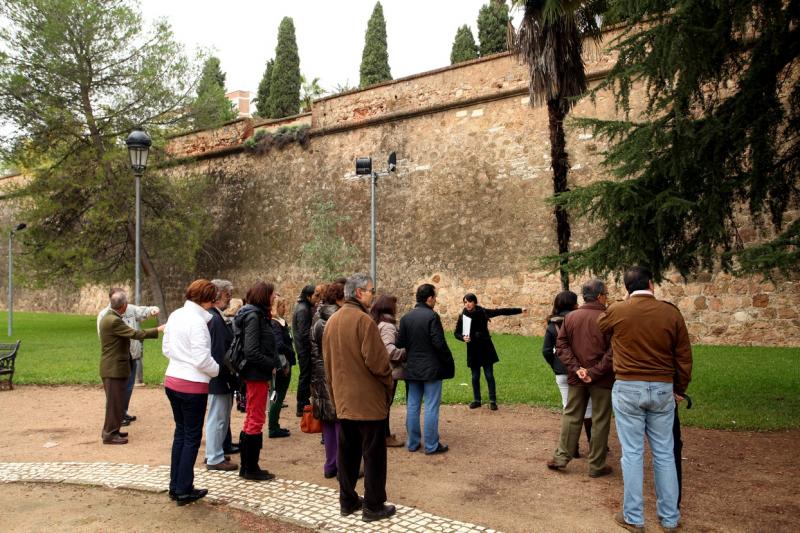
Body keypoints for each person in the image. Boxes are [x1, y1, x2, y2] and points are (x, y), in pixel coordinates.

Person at [598, 266, 693, 533]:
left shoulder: (618, 310)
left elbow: (601, 325)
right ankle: (670, 518)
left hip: (628, 386)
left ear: (626, 288)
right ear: (651, 284)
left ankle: (633, 517)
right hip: (663, 388)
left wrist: (623, 304)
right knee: (664, 453)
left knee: (632, 454)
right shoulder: (670, 312)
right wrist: (680, 388)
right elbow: (684, 356)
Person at [322, 273, 395, 522]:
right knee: (373, 454)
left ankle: (348, 500)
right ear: (359, 293)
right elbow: (378, 363)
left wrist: (334, 394)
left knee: (348, 453)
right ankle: (373, 506)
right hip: (366, 401)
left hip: (343, 399)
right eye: (370, 290)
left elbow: (327, 363)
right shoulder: (364, 321)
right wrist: (387, 384)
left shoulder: (332, 321)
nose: (373, 294)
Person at [545, 280, 614, 478]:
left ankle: (561, 457)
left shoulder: (571, 317)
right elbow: (614, 350)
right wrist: (593, 372)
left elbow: (561, 345)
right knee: (600, 419)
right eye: (606, 294)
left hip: (578, 377)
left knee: (572, 415)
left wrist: (577, 370)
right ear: (600, 296)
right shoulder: (607, 317)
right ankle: (596, 465)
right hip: (601, 379)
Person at [162, 279, 219, 506]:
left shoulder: (176, 315)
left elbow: (166, 347)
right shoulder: (197, 322)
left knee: (181, 434)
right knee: (191, 437)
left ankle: (176, 485)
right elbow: (202, 358)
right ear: (207, 299)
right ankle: (184, 489)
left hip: (173, 379)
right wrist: (217, 370)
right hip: (192, 384)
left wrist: (180, 359)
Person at [98, 289, 163, 445]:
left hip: (113, 367)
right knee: (114, 403)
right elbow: (135, 334)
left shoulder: (110, 317)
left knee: (117, 402)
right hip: (113, 368)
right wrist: (158, 330)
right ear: (124, 305)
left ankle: (113, 430)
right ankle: (109, 435)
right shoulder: (114, 321)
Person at [397, 283, 454, 455]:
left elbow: (400, 343)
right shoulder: (432, 317)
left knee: (413, 406)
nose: (436, 300)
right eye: (435, 297)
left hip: (413, 368)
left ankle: (413, 443)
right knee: (431, 406)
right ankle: (431, 445)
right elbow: (439, 343)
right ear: (429, 298)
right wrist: (448, 360)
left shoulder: (406, 318)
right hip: (431, 368)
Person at [235, 281, 278, 481]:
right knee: (256, 419)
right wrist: (270, 363)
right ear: (264, 296)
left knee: (253, 417)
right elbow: (251, 350)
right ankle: (250, 467)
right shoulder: (254, 316)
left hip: (256, 374)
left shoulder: (256, 314)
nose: (274, 297)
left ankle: (247, 466)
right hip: (256, 375)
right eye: (272, 294)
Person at [542, 290, 592, 456]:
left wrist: (556, 365)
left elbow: (547, 351)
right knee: (588, 409)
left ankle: (573, 447)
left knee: (568, 408)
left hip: (562, 371)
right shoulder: (581, 321)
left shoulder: (552, 325)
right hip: (582, 369)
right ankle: (594, 443)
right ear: (574, 304)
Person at [454, 293, 524, 410]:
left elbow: (501, 311)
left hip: (485, 347)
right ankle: (477, 400)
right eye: (465, 302)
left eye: (470, 301)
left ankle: (492, 401)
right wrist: (463, 338)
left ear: (474, 302)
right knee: (475, 376)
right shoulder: (463, 316)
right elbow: (456, 333)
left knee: (489, 375)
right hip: (473, 349)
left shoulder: (483, 312)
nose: (467, 304)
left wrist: (520, 310)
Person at [310, 282, 344, 478]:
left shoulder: (316, 317)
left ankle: (330, 465)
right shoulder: (337, 318)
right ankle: (341, 465)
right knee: (340, 421)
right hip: (334, 375)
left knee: (328, 423)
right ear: (339, 298)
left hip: (318, 375)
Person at [203, 279, 238, 471]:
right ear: (216, 295)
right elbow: (218, 351)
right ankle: (214, 457)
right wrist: (226, 374)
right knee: (218, 417)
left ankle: (214, 452)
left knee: (219, 416)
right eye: (226, 294)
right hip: (219, 377)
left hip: (219, 376)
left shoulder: (215, 316)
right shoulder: (215, 319)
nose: (229, 298)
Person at [369, 294, 406, 448]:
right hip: (388, 370)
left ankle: (383, 435)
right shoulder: (388, 326)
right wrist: (406, 352)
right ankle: (385, 437)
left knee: (382, 404)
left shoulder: (376, 322)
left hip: (379, 369)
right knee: (385, 405)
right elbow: (389, 349)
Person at [268, 294, 294, 438]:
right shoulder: (274, 323)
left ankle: (275, 425)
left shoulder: (279, 322)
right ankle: (273, 427)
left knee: (278, 394)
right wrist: (289, 355)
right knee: (277, 395)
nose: (285, 308)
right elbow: (278, 345)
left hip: (283, 362)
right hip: (281, 364)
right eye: (283, 306)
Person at [293, 284, 317, 417]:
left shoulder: (305, 307)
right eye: (315, 296)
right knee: (305, 376)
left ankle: (303, 403)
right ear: (308, 296)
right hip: (304, 350)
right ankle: (301, 405)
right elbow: (304, 333)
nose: (317, 299)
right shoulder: (303, 309)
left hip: (304, 348)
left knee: (305, 376)